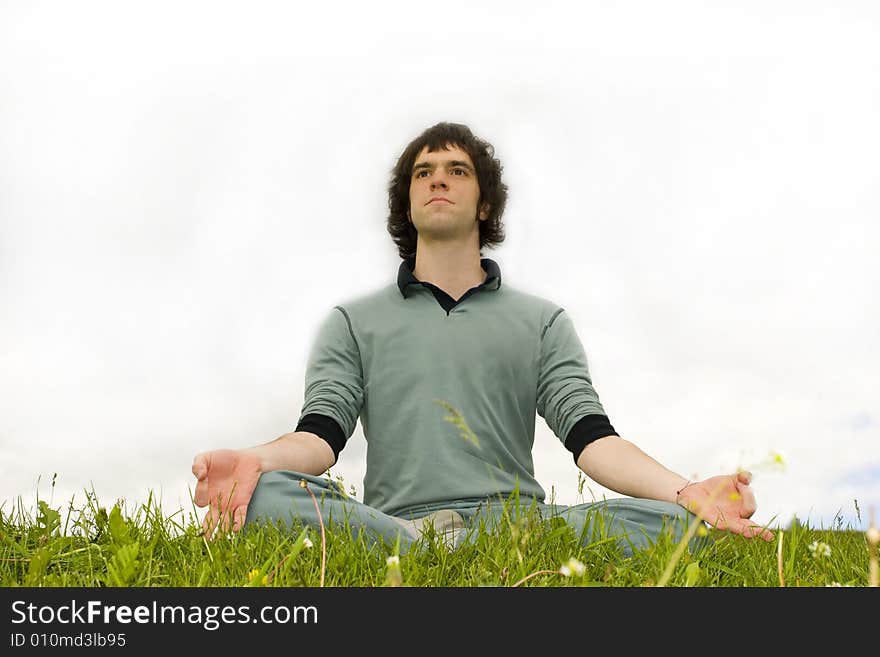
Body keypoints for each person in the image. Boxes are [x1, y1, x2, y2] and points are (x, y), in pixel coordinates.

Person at [192, 121, 774, 558]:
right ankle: (425, 556)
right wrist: (256, 461)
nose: (438, 178)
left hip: (524, 526)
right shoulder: (352, 321)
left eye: (457, 170)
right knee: (266, 496)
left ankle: (488, 556)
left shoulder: (543, 320)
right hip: (397, 528)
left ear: (484, 201)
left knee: (686, 528)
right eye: (423, 172)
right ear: (408, 201)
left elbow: (593, 438)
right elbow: (319, 436)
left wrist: (685, 492)